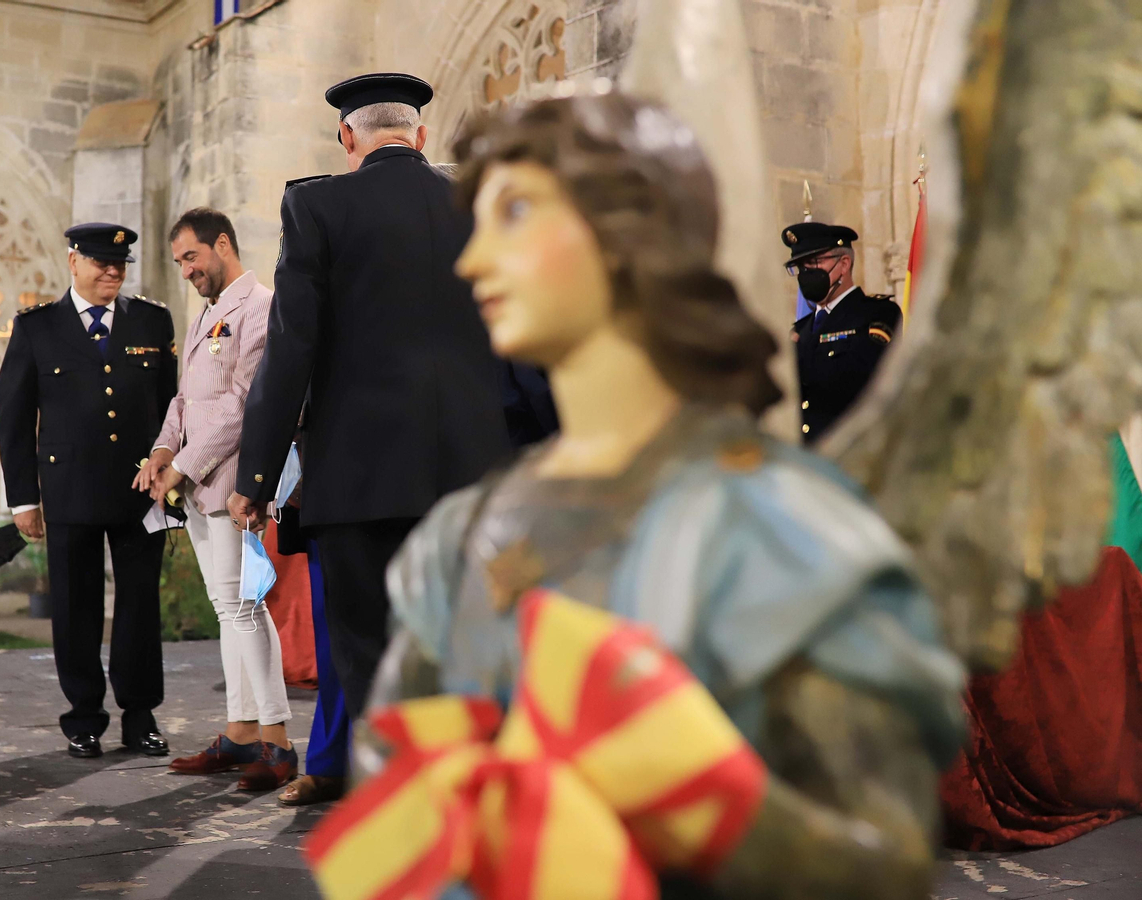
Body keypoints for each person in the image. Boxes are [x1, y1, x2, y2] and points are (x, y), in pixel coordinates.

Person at [361, 92, 964, 898]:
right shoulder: (462, 532)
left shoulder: (780, 531)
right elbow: (390, 777)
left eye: (516, 213)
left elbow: (883, 857)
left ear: (627, 236)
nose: (472, 261)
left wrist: (700, 799)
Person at [229, 73, 509, 741]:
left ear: (346, 137)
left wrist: (256, 477)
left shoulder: (316, 206)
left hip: (360, 479)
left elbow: (291, 348)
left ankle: (396, 792)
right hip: (475, 476)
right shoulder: (480, 203)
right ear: (421, 136)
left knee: (373, 666)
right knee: (469, 661)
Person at [0, 222, 176, 759]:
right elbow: (14, 419)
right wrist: (23, 500)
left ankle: (140, 715)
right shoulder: (37, 327)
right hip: (69, 489)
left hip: (140, 489)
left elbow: (173, 406)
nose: (113, 272)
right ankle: (83, 717)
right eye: (101, 262)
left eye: (120, 264)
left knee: (139, 606)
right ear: (74, 261)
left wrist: (174, 473)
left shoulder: (152, 320)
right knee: (76, 607)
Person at [136, 207, 298, 790]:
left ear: (222, 244)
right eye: (179, 262)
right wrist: (162, 451)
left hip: (235, 483)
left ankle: (278, 742)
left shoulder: (260, 306)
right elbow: (185, 400)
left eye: (191, 257)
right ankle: (240, 732)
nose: (186, 271)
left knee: (246, 608)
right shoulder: (206, 312)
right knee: (227, 609)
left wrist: (180, 467)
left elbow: (244, 404)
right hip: (199, 484)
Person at [784, 221, 903, 444]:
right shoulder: (799, 329)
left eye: (814, 262)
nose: (805, 273)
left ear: (844, 264)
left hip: (853, 448)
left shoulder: (878, 314)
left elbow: (863, 377)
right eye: (800, 267)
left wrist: (794, 359)